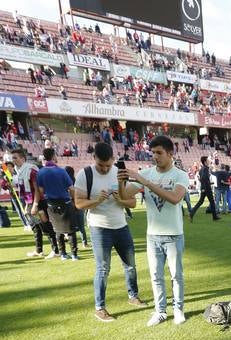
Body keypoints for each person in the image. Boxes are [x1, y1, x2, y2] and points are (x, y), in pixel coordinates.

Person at [117, 135, 189, 326]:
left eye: (159, 152)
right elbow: (124, 195)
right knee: (156, 276)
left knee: (176, 275)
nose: (155, 156)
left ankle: (178, 309)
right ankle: (160, 311)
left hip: (173, 234)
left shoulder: (180, 175)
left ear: (170, 153)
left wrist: (145, 182)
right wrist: (121, 181)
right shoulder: (147, 173)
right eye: (153, 153)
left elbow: (175, 198)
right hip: (153, 235)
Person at [74, 142, 144, 323]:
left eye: (108, 165)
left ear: (113, 159)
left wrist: (120, 199)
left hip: (121, 226)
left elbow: (132, 203)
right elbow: (79, 203)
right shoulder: (85, 174)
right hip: (99, 228)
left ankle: (133, 296)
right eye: (101, 165)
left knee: (130, 265)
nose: (105, 169)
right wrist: (97, 200)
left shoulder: (119, 172)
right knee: (103, 269)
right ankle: (100, 308)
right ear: (94, 158)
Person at [12, 148, 59, 259]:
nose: (13, 160)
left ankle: (56, 250)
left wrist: (35, 205)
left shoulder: (31, 170)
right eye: (12, 158)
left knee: (46, 226)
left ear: (23, 158)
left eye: (15, 158)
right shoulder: (19, 171)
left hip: (38, 202)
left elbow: (37, 189)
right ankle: (39, 250)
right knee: (35, 227)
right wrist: (27, 205)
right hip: (29, 202)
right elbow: (24, 189)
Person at [35, 148, 78, 261]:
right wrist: (73, 200)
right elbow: (71, 188)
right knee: (71, 230)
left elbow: (41, 191)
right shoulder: (61, 171)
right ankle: (74, 254)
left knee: (57, 230)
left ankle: (63, 254)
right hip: (65, 202)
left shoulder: (41, 172)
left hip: (51, 204)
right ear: (54, 156)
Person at [190, 156, 220, 221]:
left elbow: (202, 178)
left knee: (201, 201)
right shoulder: (205, 168)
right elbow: (203, 178)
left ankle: (192, 212)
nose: (209, 161)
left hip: (204, 187)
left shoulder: (202, 169)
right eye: (208, 160)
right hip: (207, 188)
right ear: (205, 161)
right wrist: (206, 185)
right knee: (212, 202)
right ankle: (214, 217)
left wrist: (206, 184)